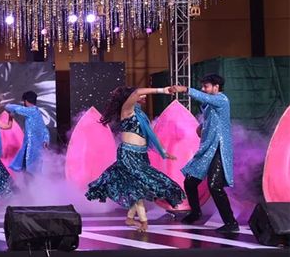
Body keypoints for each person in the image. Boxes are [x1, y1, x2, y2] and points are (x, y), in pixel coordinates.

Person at [85, 86, 185, 232]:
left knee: (140, 185)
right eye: (142, 95)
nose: (144, 96)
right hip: (128, 155)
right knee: (137, 187)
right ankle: (143, 222)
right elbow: (138, 92)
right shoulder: (127, 110)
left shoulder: (140, 115)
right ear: (131, 97)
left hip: (140, 154)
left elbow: (150, 134)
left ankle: (130, 218)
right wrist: (163, 90)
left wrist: (163, 151)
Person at [174, 75, 239, 233]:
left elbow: (203, 98)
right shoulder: (211, 104)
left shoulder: (222, 99)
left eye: (206, 86)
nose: (204, 89)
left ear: (216, 87)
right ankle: (195, 212)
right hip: (207, 148)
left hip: (218, 148)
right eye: (202, 86)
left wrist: (184, 89)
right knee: (190, 181)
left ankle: (231, 223)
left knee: (214, 186)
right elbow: (213, 119)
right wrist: (202, 126)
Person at [4, 91, 49, 173]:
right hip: (37, 147)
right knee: (34, 169)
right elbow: (44, 129)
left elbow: (8, 107)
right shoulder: (37, 111)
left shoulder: (30, 111)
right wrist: (46, 140)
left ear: (26, 101)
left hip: (30, 147)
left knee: (29, 170)